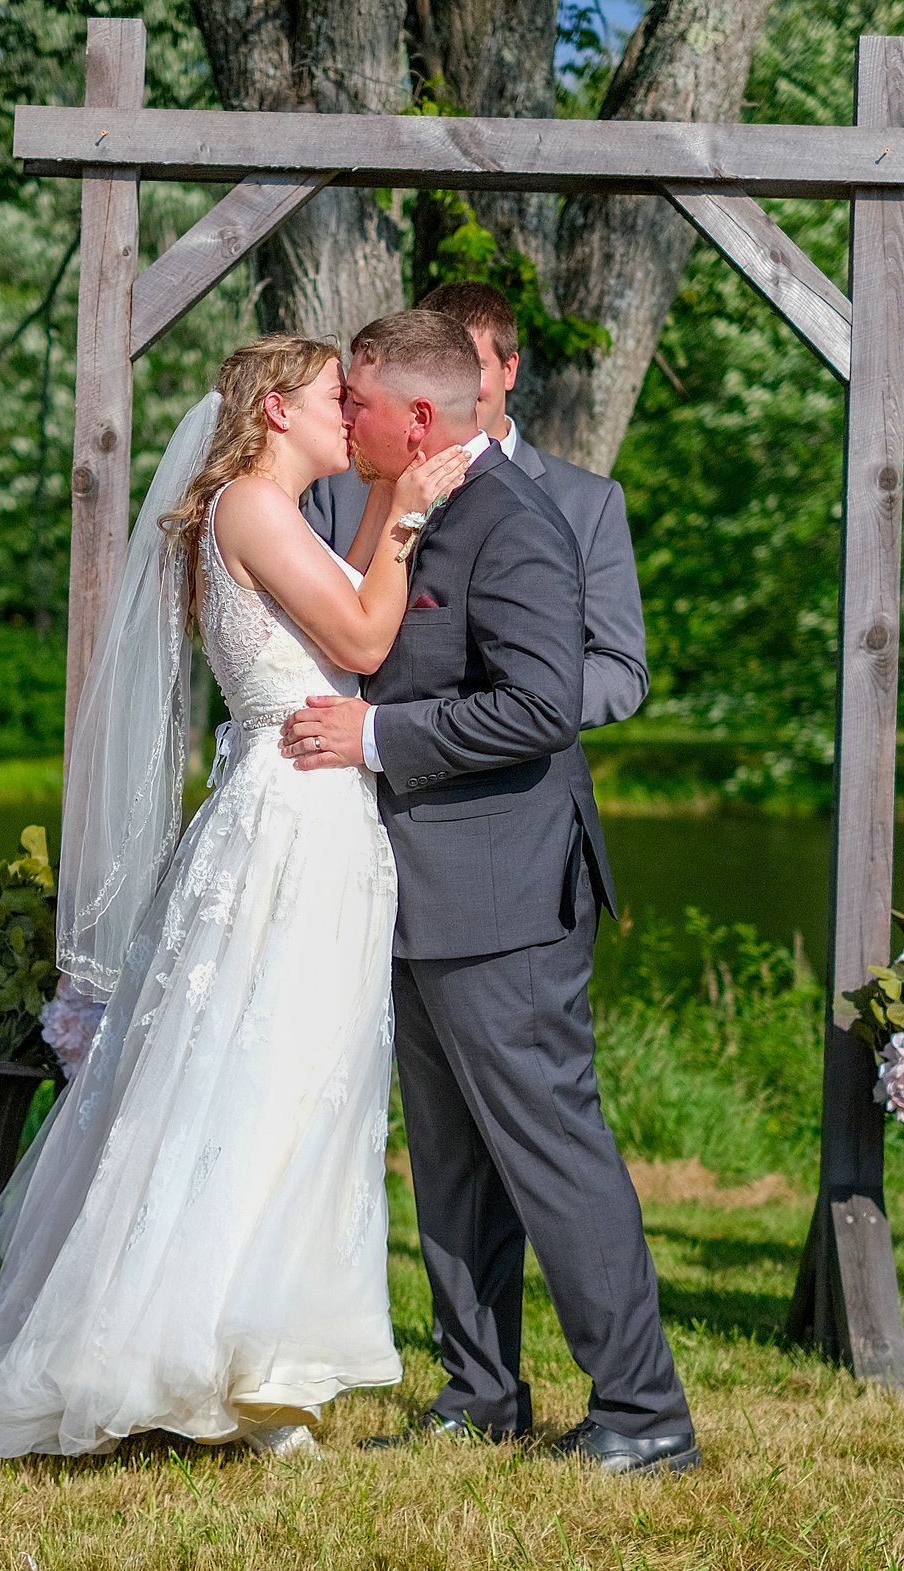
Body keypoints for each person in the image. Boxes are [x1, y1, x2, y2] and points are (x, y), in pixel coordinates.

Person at [0, 337, 469, 1458]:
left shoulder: (280, 511)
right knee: (256, 1081)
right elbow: (364, 637)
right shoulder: (251, 511)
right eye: (334, 396)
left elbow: (341, 616)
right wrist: (408, 510)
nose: (349, 410)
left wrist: (378, 502)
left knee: (302, 1084)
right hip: (286, 821)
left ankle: (260, 1357)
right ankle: (185, 1355)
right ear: (277, 409)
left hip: (318, 813)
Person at [280, 309, 702, 1477]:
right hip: (420, 894)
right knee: (452, 1160)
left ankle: (643, 1410)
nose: (344, 416)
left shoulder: (514, 528)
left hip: (504, 896)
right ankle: (482, 1389)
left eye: (356, 399)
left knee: (553, 1154)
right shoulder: (413, 512)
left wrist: (375, 736)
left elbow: (535, 708)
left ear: (418, 417)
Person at [302, 280, 649, 730]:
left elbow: (617, 668)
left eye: (475, 365)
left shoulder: (582, 502)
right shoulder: (341, 489)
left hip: (496, 773)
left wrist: (507, 703)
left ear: (509, 370)